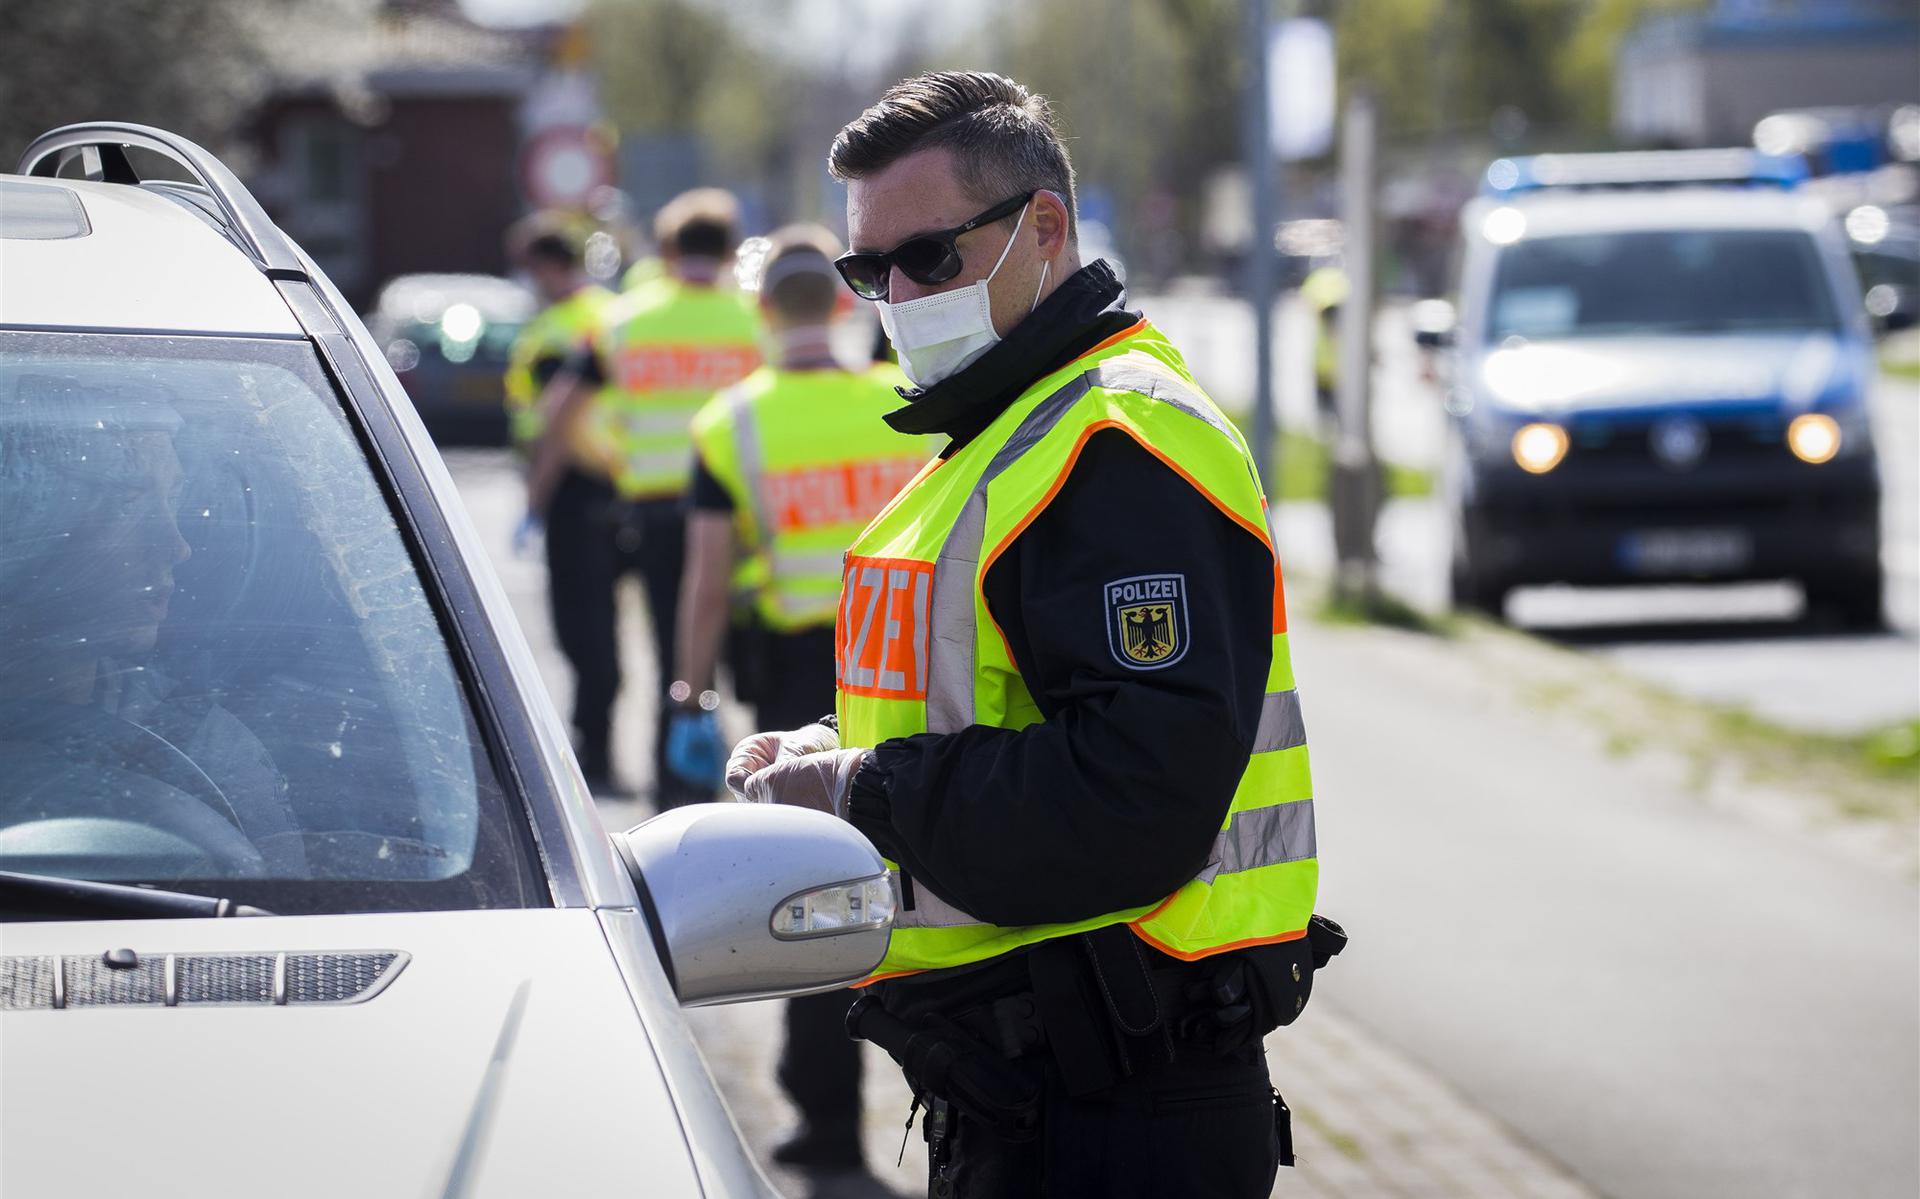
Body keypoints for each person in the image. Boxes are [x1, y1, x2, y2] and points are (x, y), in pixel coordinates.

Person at [726, 72, 1340, 1197]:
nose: (898, 296)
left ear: (1043, 229)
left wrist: (863, 789)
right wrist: (826, 747)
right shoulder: (1003, 430)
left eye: (930, 258)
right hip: (1029, 1092)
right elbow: (1001, 699)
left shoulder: (1112, 442)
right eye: (870, 272)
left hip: (1119, 1105)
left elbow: (1133, 794)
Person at [663, 225, 928, 1176]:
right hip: (901, 659)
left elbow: (703, 582)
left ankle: (827, 1117)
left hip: (790, 682)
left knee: (818, 890)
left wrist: (688, 693)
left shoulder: (731, 423)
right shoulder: (900, 403)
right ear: (846, 304)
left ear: (765, 311)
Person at [0, 377, 299, 874]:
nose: (174, 544)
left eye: (173, 498)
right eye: (126, 503)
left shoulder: (203, 753)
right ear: (21, 520)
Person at [527, 189, 761, 802]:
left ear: (666, 249)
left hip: (658, 510)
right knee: (749, 661)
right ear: (733, 250)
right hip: (746, 520)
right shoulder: (754, 320)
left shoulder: (624, 321)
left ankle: (679, 791)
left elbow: (559, 412)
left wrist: (566, 480)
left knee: (675, 650)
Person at [502, 217, 613, 457]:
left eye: (530, 268)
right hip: (601, 453)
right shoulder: (608, 308)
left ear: (548, 266)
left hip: (566, 460)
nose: (530, 278)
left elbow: (557, 410)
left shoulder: (556, 327)